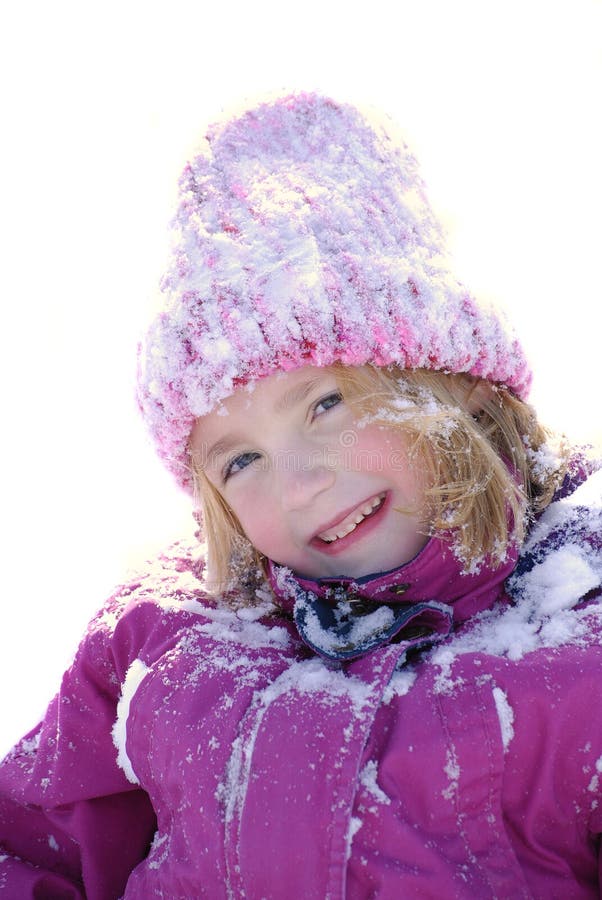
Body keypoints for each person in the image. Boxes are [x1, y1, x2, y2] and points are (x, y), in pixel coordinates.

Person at [1, 92, 601, 899]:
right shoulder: (166, 642)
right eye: (241, 460)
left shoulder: (577, 636)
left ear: (450, 384)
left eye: (328, 404)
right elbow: (32, 847)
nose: (299, 482)